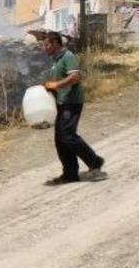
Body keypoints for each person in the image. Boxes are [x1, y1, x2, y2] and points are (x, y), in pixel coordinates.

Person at [42, 32, 104, 185]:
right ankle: (70, 173)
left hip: (72, 101)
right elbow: (61, 79)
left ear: (56, 43)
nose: (45, 48)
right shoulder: (56, 59)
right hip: (62, 102)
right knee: (60, 140)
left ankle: (94, 161)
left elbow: (75, 77)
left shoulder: (68, 56)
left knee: (67, 135)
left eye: (47, 44)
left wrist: (56, 85)